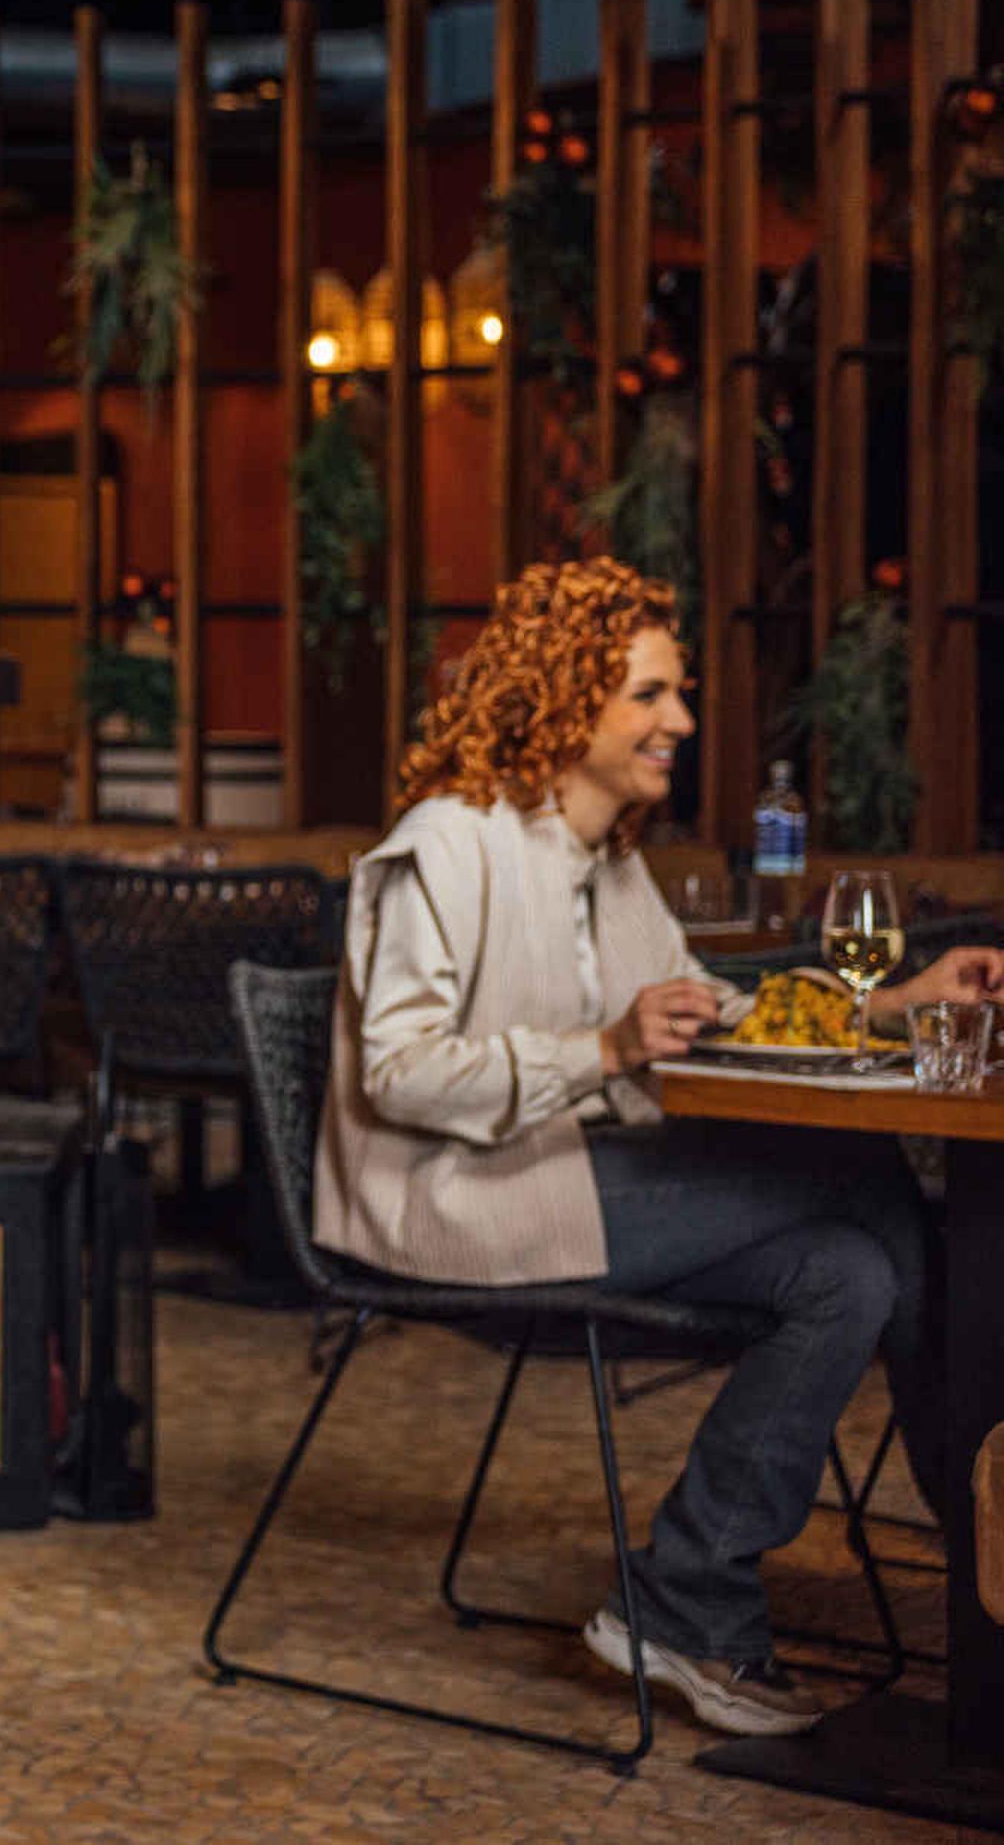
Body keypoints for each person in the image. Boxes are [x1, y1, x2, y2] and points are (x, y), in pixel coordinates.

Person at [315, 555, 995, 1737]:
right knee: (866, 1180)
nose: (680, 720)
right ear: (564, 690)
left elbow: (708, 1010)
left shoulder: (605, 858)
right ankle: (986, 1553)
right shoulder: (449, 841)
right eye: (650, 694)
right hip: (459, 1195)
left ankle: (685, 1591)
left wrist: (898, 1003)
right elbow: (400, 1071)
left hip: (573, 1177)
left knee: (855, 1272)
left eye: (677, 694)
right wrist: (605, 1048)